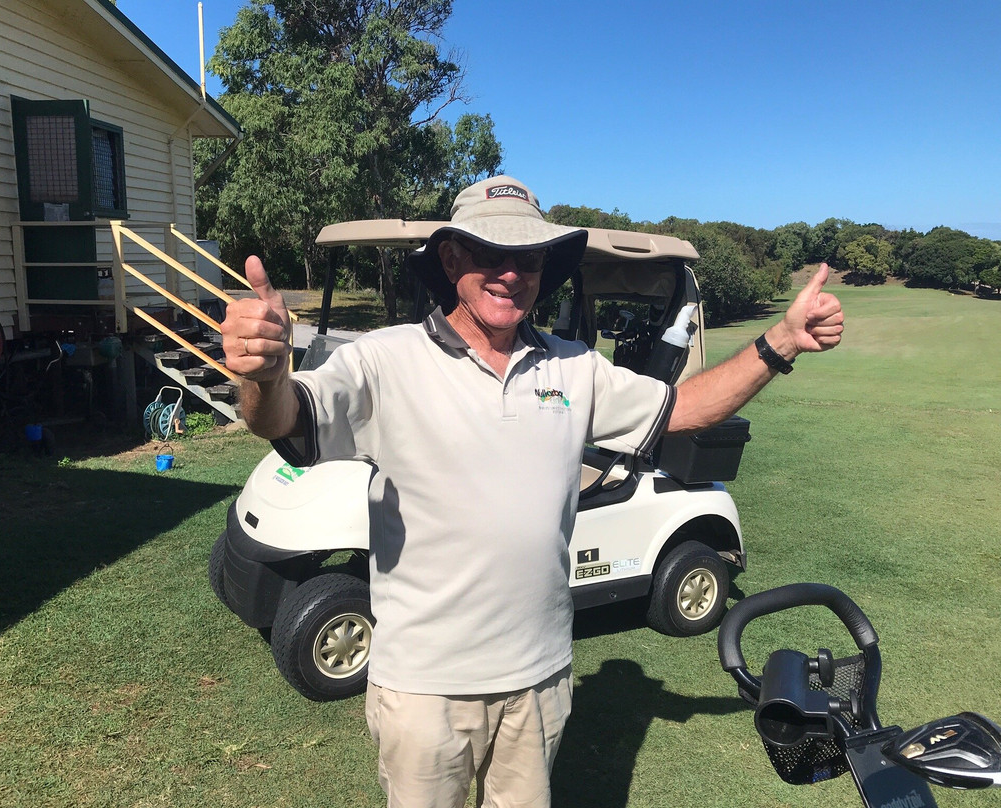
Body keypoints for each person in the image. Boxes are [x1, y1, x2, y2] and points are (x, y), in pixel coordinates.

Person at [219, 176, 844, 808]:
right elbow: (286, 420)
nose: (510, 273)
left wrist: (781, 341)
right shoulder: (386, 360)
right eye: (490, 253)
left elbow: (683, 407)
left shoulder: (574, 366)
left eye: (528, 258)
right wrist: (265, 375)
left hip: (540, 680)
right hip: (425, 688)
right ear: (451, 258)